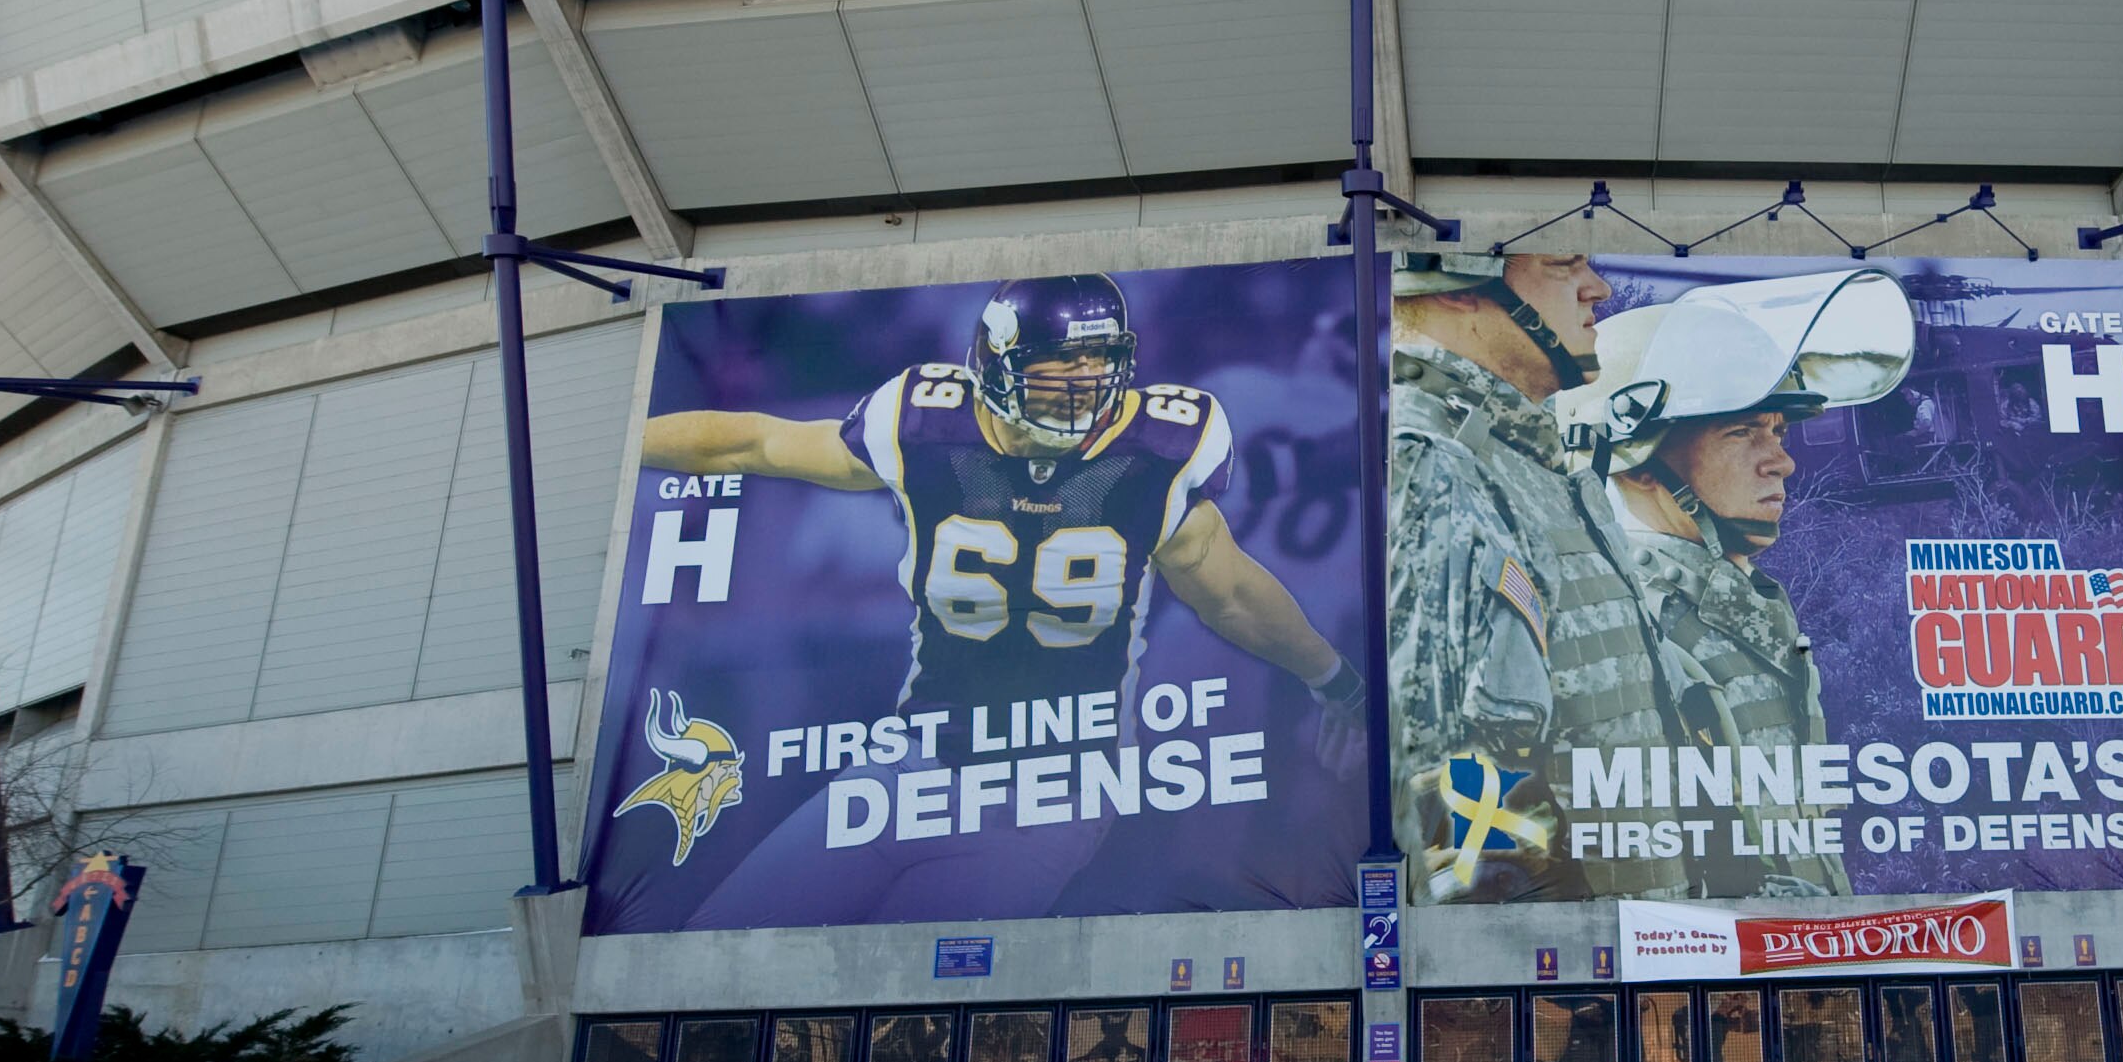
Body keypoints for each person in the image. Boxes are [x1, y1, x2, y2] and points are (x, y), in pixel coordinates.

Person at [635, 274, 1360, 900]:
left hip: (1051, 789)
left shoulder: (1158, 450)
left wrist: (1334, 677)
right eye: (1058, 367)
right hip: (907, 768)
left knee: (912, 978)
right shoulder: (924, 421)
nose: (1083, 389)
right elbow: (756, 442)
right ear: (997, 363)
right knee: (731, 928)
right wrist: (625, 444)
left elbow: (1228, 591)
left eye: (1099, 364)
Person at [1588, 280, 1902, 900]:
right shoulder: (1625, 627)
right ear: (1642, 461)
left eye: (1778, 431)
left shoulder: (1742, 609)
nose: (1779, 461)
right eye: (1741, 433)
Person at [1386, 252, 1680, 900]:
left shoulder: (1535, 463)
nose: (1596, 288)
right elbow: (1436, 786)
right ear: (1461, 286)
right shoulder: (1426, 460)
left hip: (1639, 951)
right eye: (1561, 264)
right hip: (1557, 979)